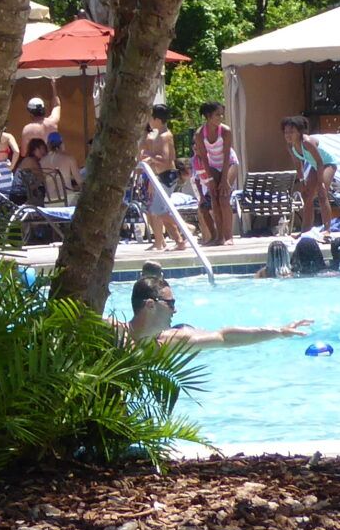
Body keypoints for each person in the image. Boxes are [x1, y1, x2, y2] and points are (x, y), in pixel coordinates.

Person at [125, 276, 311, 350]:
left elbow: (224, 337)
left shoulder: (168, 344)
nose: (175, 309)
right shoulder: (113, 334)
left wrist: (279, 332)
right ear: (150, 305)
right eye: (171, 303)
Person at [189, 101, 238, 245]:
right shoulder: (200, 134)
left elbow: (227, 154)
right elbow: (203, 158)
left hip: (229, 163)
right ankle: (219, 237)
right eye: (217, 114)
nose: (221, 117)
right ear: (208, 116)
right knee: (214, 198)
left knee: (223, 197)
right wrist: (210, 179)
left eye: (222, 114)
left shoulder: (225, 131)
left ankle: (229, 237)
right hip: (211, 165)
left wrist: (224, 180)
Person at [138, 104, 181, 251]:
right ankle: (179, 240)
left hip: (168, 176)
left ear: (156, 119)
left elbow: (166, 159)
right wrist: (149, 160)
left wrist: (149, 156)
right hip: (160, 175)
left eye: (150, 117)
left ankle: (184, 230)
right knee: (159, 210)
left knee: (159, 210)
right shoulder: (157, 134)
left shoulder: (164, 136)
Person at [282, 115, 335, 232]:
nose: (288, 135)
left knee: (322, 195)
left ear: (300, 132)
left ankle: (327, 230)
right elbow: (298, 164)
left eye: (291, 132)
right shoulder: (290, 146)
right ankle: (305, 231)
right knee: (306, 196)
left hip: (327, 164)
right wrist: (302, 181)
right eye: (286, 132)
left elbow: (320, 161)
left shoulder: (307, 142)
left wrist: (320, 182)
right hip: (315, 166)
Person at [42, 129, 83, 199]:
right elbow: (80, 182)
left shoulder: (41, 161)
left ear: (48, 145)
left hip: (48, 202)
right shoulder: (69, 159)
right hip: (67, 200)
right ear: (61, 144)